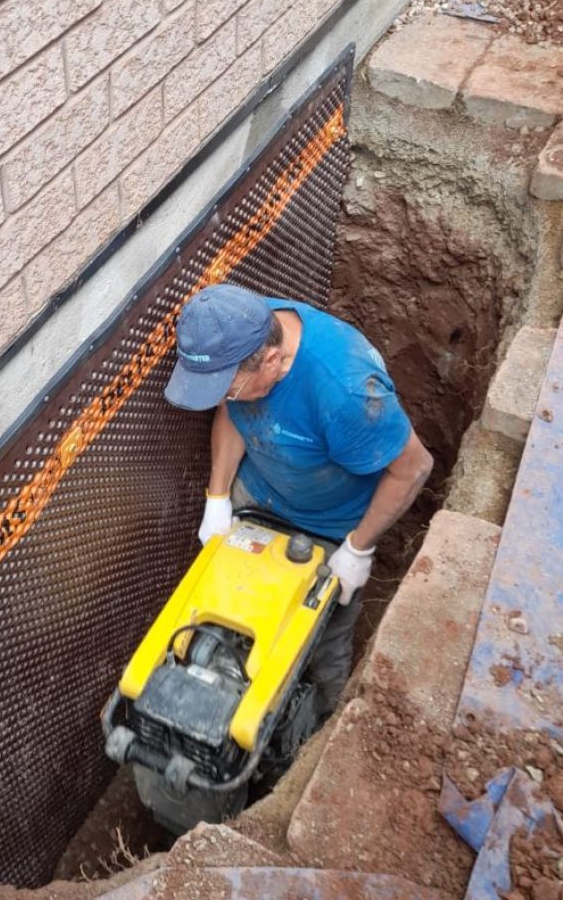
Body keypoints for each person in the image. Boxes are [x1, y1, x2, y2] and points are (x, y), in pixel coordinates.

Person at [164, 282, 433, 722]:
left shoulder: (346, 392)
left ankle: (317, 726)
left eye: (227, 388)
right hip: (258, 498)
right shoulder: (238, 327)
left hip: (329, 527)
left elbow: (413, 467)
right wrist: (218, 498)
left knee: (321, 640)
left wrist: (358, 548)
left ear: (272, 361)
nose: (225, 397)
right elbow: (230, 412)